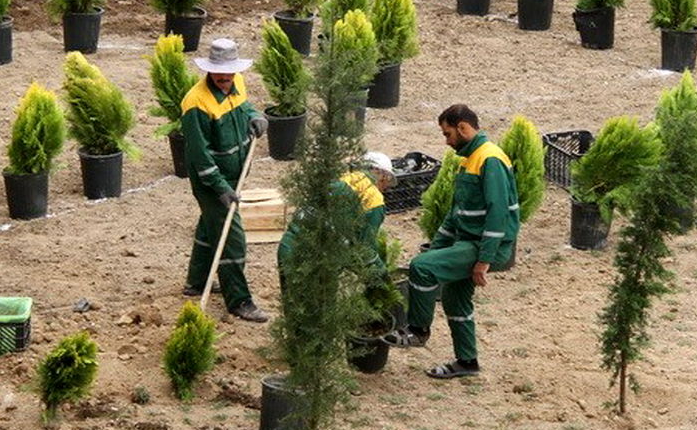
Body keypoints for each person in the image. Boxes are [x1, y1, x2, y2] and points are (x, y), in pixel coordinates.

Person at [384, 104, 519, 379]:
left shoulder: (489, 159)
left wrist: (484, 259)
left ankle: (418, 330)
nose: (446, 141)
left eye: (448, 134)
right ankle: (467, 362)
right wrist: (438, 246)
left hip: (484, 246)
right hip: (468, 242)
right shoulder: (468, 159)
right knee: (456, 301)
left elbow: (498, 213)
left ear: (463, 127)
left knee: (421, 267)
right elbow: (456, 213)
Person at [179, 38, 270, 322]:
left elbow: (245, 107)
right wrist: (220, 188)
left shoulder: (237, 83)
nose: (224, 79)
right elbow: (199, 155)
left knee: (211, 225)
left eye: (229, 74)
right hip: (212, 181)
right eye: (220, 74)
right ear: (209, 70)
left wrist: (256, 117)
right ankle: (239, 301)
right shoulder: (196, 104)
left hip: (234, 172)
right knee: (232, 238)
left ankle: (196, 282)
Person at [277, 152, 394, 291]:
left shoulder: (337, 180)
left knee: (294, 308)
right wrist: (384, 279)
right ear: (379, 173)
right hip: (319, 263)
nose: (385, 187)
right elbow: (365, 250)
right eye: (386, 181)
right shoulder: (373, 199)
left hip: (287, 249)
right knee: (321, 309)